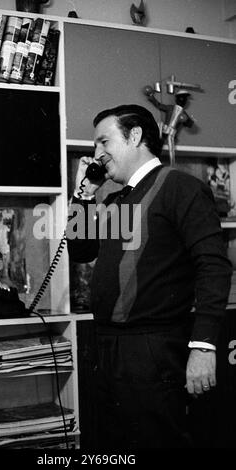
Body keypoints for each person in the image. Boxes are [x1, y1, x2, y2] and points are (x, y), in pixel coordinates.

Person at [66, 104, 232, 449]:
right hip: (109, 348)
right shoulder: (116, 199)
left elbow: (213, 265)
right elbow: (81, 252)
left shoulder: (179, 186)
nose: (97, 154)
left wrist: (204, 346)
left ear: (135, 136)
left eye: (103, 142)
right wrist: (83, 195)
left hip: (152, 349)